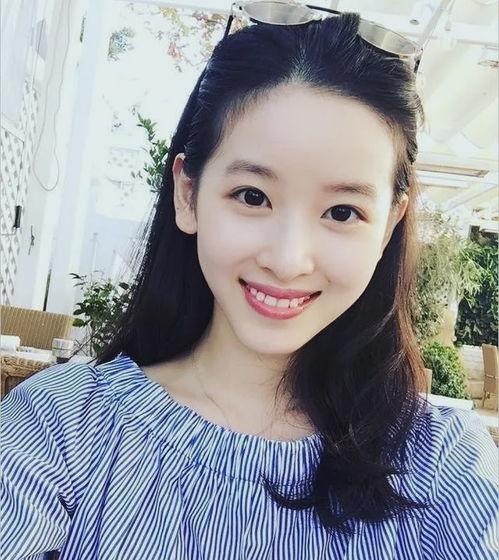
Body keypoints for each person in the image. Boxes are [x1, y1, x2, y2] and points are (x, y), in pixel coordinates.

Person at [1, 6, 498, 560]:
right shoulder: (60, 429)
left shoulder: (444, 464)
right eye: (252, 196)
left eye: (342, 211)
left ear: (388, 226)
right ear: (188, 194)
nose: (287, 261)